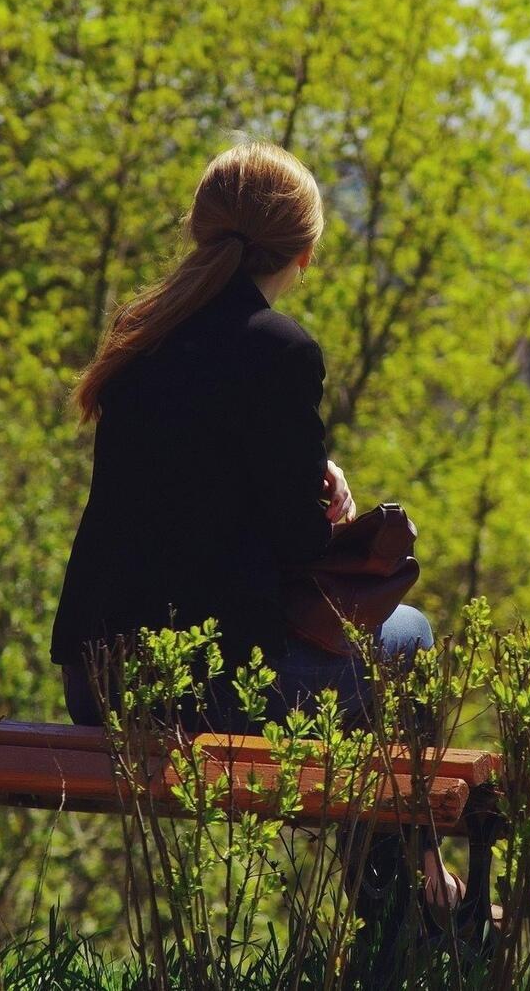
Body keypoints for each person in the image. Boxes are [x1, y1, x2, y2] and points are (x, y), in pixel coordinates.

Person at [48, 139, 465, 930]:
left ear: (202, 232)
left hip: (96, 684)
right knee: (407, 638)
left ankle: (413, 898)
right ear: (304, 255)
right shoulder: (279, 349)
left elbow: (191, 507)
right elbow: (300, 547)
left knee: (376, 669)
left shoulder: (142, 337)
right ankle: (411, 906)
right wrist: (336, 506)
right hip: (197, 690)